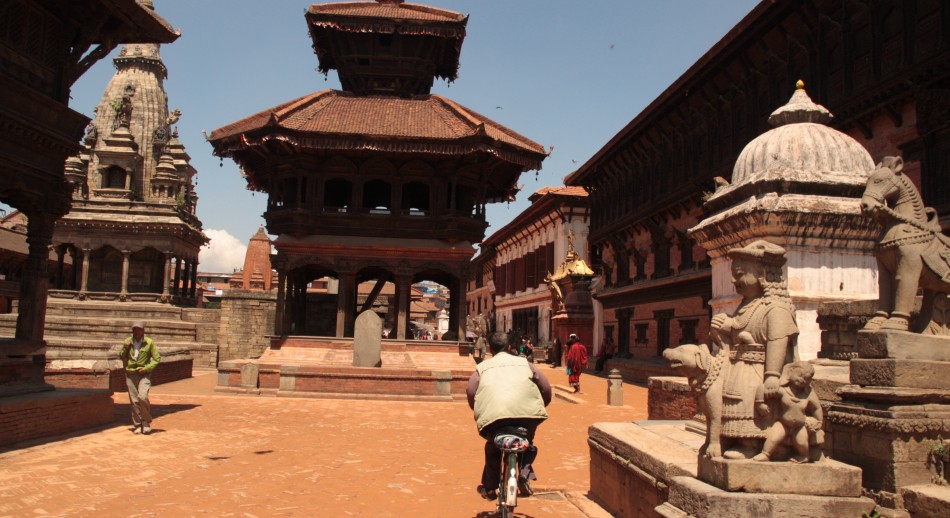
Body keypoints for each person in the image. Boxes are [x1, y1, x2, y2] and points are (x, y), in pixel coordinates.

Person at [709, 240, 798, 459]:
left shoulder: (776, 307)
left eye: (740, 274)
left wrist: (772, 376)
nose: (734, 280)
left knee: (750, 403)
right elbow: (738, 334)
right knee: (734, 403)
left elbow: (778, 342)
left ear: (762, 274)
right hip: (739, 366)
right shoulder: (747, 305)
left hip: (758, 370)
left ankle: (752, 443)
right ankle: (734, 438)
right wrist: (724, 328)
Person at [467, 331, 552, 501]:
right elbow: (546, 388)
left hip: (494, 418)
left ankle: (490, 488)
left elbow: (471, 392)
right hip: (528, 416)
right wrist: (540, 405)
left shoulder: (482, 367)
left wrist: (478, 409)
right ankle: (525, 475)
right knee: (528, 445)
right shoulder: (525, 364)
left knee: (492, 449)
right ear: (510, 347)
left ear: (490, 348)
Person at [753, 361, 823, 463]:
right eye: (800, 375)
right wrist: (760, 404)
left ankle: (804, 456)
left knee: (801, 442)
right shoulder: (783, 390)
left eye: (807, 379)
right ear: (790, 372)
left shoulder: (808, 394)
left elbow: (817, 408)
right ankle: (765, 454)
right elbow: (762, 388)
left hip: (800, 425)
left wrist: (819, 421)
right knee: (773, 437)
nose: (802, 380)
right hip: (783, 423)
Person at [119, 321, 161, 435]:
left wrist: (147, 368)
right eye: (134, 329)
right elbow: (121, 356)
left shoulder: (149, 343)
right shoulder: (128, 342)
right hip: (131, 373)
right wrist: (125, 348)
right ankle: (137, 424)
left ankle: (146, 421)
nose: (136, 331)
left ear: (143, 330)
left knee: (142, 397)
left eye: (138, 329)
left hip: (144, 374)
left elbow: (157, 359)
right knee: (134, 400)